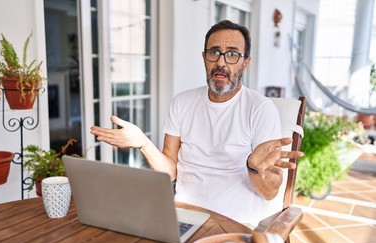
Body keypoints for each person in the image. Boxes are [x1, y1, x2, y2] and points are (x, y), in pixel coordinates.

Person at [90, 20, 303, 229]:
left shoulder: (260, 109)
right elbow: (170, 172)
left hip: (234, 224)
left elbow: (270, 193)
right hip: (181, 215)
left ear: (245, 62)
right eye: (214, 52)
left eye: (232, 54)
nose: (221, 62)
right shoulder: (182, 103)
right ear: (204, 58)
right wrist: (143, 143)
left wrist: (254, 168)